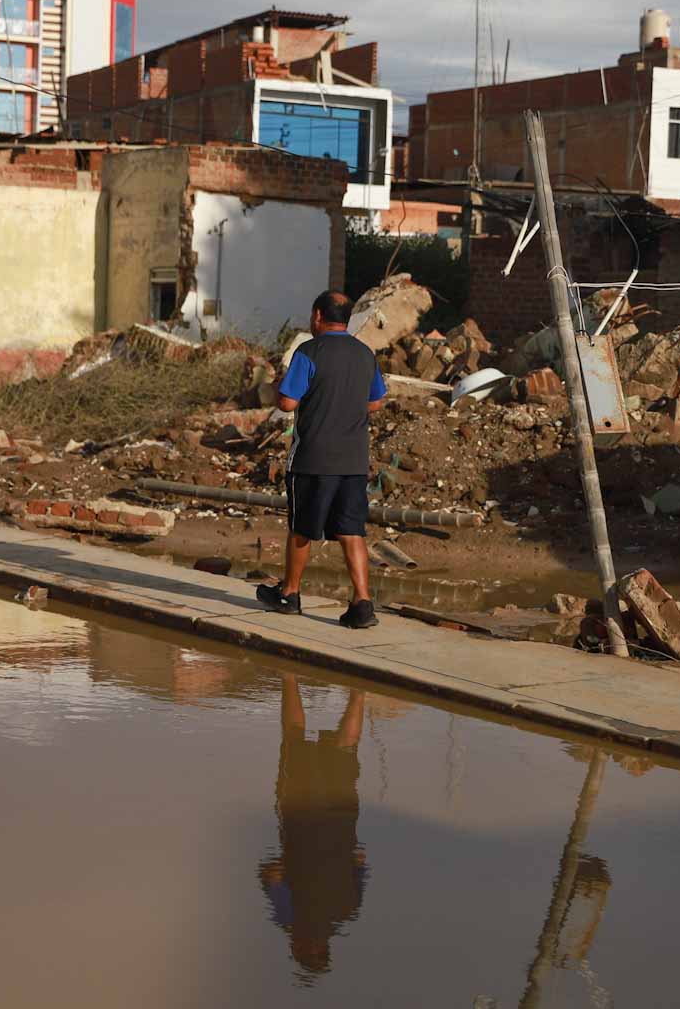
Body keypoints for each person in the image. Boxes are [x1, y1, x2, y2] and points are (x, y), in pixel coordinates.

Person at [257, 291, 385, 629]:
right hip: (354, 461)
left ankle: (289, 594)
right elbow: (375, 402)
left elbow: (286, 403)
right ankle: (362, 603)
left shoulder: (309, 351)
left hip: (313, 459)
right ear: (346, 319)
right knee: (351, 530)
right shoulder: (364, 353)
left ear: (317, 316)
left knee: (302, 528)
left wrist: (274, 388)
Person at [256, 676, 368, 979]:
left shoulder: (348, 910)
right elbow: (270, 874)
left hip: (342, 819)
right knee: (293, 739)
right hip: (300, 816)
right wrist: (287, 865)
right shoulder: (289, 917)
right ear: (300, 947)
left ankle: (358, 693)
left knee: (345, 751)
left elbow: (360, 860)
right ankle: (290, 677)